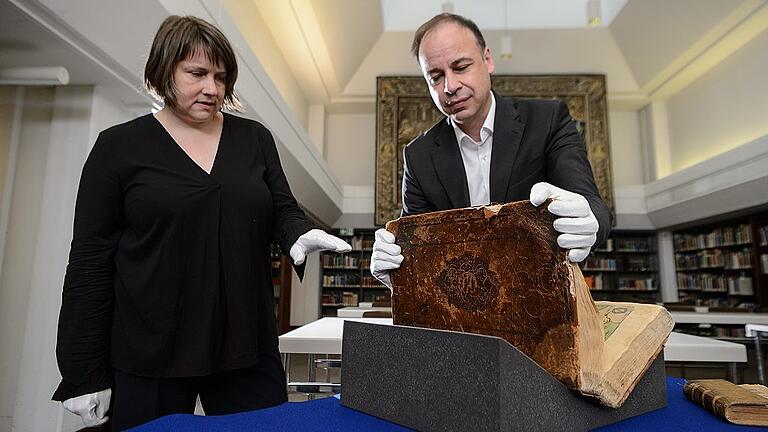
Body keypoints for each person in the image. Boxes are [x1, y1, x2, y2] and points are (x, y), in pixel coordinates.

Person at [52, 15, 351, 430]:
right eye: (197, 73)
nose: (212, 89)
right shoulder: (118, 147)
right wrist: (83, 372)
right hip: (148, 347)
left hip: (244, 344)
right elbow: (89, 261)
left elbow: (283, 208)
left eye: (221, 76)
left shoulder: (254, 140)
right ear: (163, 70)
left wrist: (297, 234)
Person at [370, 13, 612, 288]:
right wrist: (395, 271)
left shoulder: (548, 120)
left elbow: (593, 204)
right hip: (460, 312)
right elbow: (413, 245)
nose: (450, 86)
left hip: (539, 300)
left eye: (460, 67)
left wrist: (589, 221)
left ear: (488, 60)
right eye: (435, 77)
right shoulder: (418, 156)